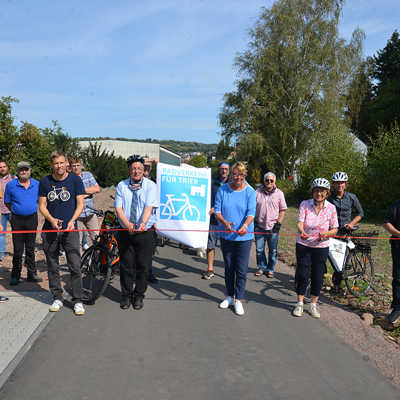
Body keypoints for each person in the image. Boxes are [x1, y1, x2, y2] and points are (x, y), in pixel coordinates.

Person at [38, 151, 86, 315]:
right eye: (56, 163)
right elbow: (42, 205)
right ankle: (57, 297)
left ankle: (78, 300)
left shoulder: (75, 180)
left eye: (61, 163)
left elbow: (80, 204)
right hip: (50, 229)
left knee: (75, 265)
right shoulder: (45, 181)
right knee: (52, 265)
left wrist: (72, 220)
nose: (59, 166)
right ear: (52, 165)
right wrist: (51, 219)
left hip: (70, 229)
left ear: (66, 163)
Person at [114, 154, 158, 310]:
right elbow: (118, 209)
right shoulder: (121, 185)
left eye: (139, 168)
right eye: (133, 168)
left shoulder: (150, 186)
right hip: (126, 231)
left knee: (143, 266)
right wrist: (128, 225)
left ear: (143, 170)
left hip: (144, 232)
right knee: (126, 266)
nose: (136, 171)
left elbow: (149, 207)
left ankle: (139, 295)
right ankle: (126, 295)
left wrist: (142, 224)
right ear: (129, 170)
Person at [214, 162, 256, 316]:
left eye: (241, 175)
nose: (238, 177)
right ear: (232, 174)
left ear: (245, 176)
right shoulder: (223, 189)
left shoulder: (250, 191)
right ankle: (229, 296)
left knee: (242, 269)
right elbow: (217, 210)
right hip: (226, 236)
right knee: (229, 268)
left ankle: (238, 299)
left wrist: (245, 226)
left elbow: (251, 213)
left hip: (244, 237)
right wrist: (224, 222)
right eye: (236, 174)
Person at [293, 178, 338, 318]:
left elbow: (335, 229)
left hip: (321, 246)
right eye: (317, 190)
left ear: (327, 193)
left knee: (318, 275)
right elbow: (300, 222)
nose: (319, 194)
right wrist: (302, 232)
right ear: (313, 191)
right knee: (303, 274)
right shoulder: (305, 204)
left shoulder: (331, 208)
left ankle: (313, 304)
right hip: (304, 244)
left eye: (322, 191)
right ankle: (299, 303)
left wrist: (326, 234)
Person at [4, 161, 41, 285]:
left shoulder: (37, 184)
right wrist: (17, 211)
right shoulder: (11, 185)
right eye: (21, 170)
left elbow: (41, 201)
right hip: (17, 219)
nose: (24, 172)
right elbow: (7, 202)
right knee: (18, 249)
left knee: (30, 248)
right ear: (18, 171)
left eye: (26, 169)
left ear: (30, 170)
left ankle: (32, 274)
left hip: (32, 219)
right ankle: (15, 275)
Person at [328, 171, 364, 295]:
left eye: (342, 183)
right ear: (333, 185)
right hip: (332, 232)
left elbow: (360, 213)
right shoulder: (329, 198)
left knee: (341, 261)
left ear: (345, 184)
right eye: (337, 183)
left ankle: (337, 286)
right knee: (333, 258)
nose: (339, 185)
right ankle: (336, 280)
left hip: (346, 232)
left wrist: (352, 223)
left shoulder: (352, 197)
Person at [254, 172, 287, 278]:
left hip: (273, 227)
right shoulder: (257, 192)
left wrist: (279, 223)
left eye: (271, 180)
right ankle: (261, 267)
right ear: (264, 181)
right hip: (259, 226)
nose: (269, 182)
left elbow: (282, 210)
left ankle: (271, 269)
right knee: (259, 250)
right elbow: (252, 207)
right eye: (267, 180)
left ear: (274, 182)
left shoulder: (279, 193)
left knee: (273, 250)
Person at [202, 161, 230, 280]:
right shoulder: (212, 183)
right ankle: (210, 269)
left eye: (226, 169)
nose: (224, 171)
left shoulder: (233, 184)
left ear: (229, 171)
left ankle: (229, 270)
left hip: (226, 221)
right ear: (218, 170)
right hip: (213, 220)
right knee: (211, 245)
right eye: (222, 169)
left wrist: (218, 208)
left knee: (227, 248)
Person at [69, 157, 100, 250]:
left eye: (78, 165)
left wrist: (81, 192)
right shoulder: (68, 178)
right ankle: (78, 263)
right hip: (77, 215)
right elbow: (71, 195)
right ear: (70, 167)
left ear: (81, 166)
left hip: (90, 213)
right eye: (73, 166)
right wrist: (88, 192)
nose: (76, 167)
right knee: (76, 243)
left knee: (97, 239)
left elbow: (97, 189)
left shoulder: (88, 175)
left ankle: (96, 262)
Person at [383, 201, 400, 326]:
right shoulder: (396, 205)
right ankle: (397, 308)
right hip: (398, 245)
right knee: (398, 278)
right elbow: (387, 223)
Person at [143, 161, 158, 284]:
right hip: (136, 220)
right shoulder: (134, 181)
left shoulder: (156, 182)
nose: (147, 168)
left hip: (151, 221)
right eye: (145, 166)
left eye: (149, 167)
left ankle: (149, 272)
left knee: (149, 250)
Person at [0, 161, 14, 261]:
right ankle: (1, 254)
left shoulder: (14, 179)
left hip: (13, 211)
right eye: (0, 167)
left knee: (19, 233)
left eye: (4, 166)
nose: (3, 168)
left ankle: (23, 252)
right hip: (1, 212)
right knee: (1, 234)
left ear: (7, 167)